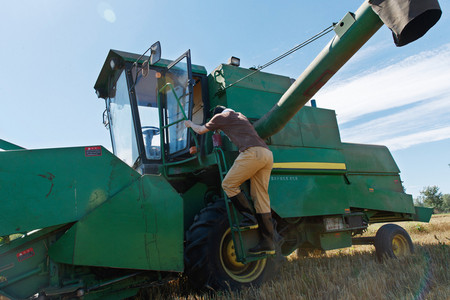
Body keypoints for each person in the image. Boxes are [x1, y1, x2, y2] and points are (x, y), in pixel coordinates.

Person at [184, 105, 275, 255]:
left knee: (228, 184)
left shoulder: (220, 117)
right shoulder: (240, 115)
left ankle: (249, 218)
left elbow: (200, 130)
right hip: (266, 154)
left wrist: (189, 124)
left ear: (216, 114)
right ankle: (268, 242)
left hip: (252, 153)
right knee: (261, 197)